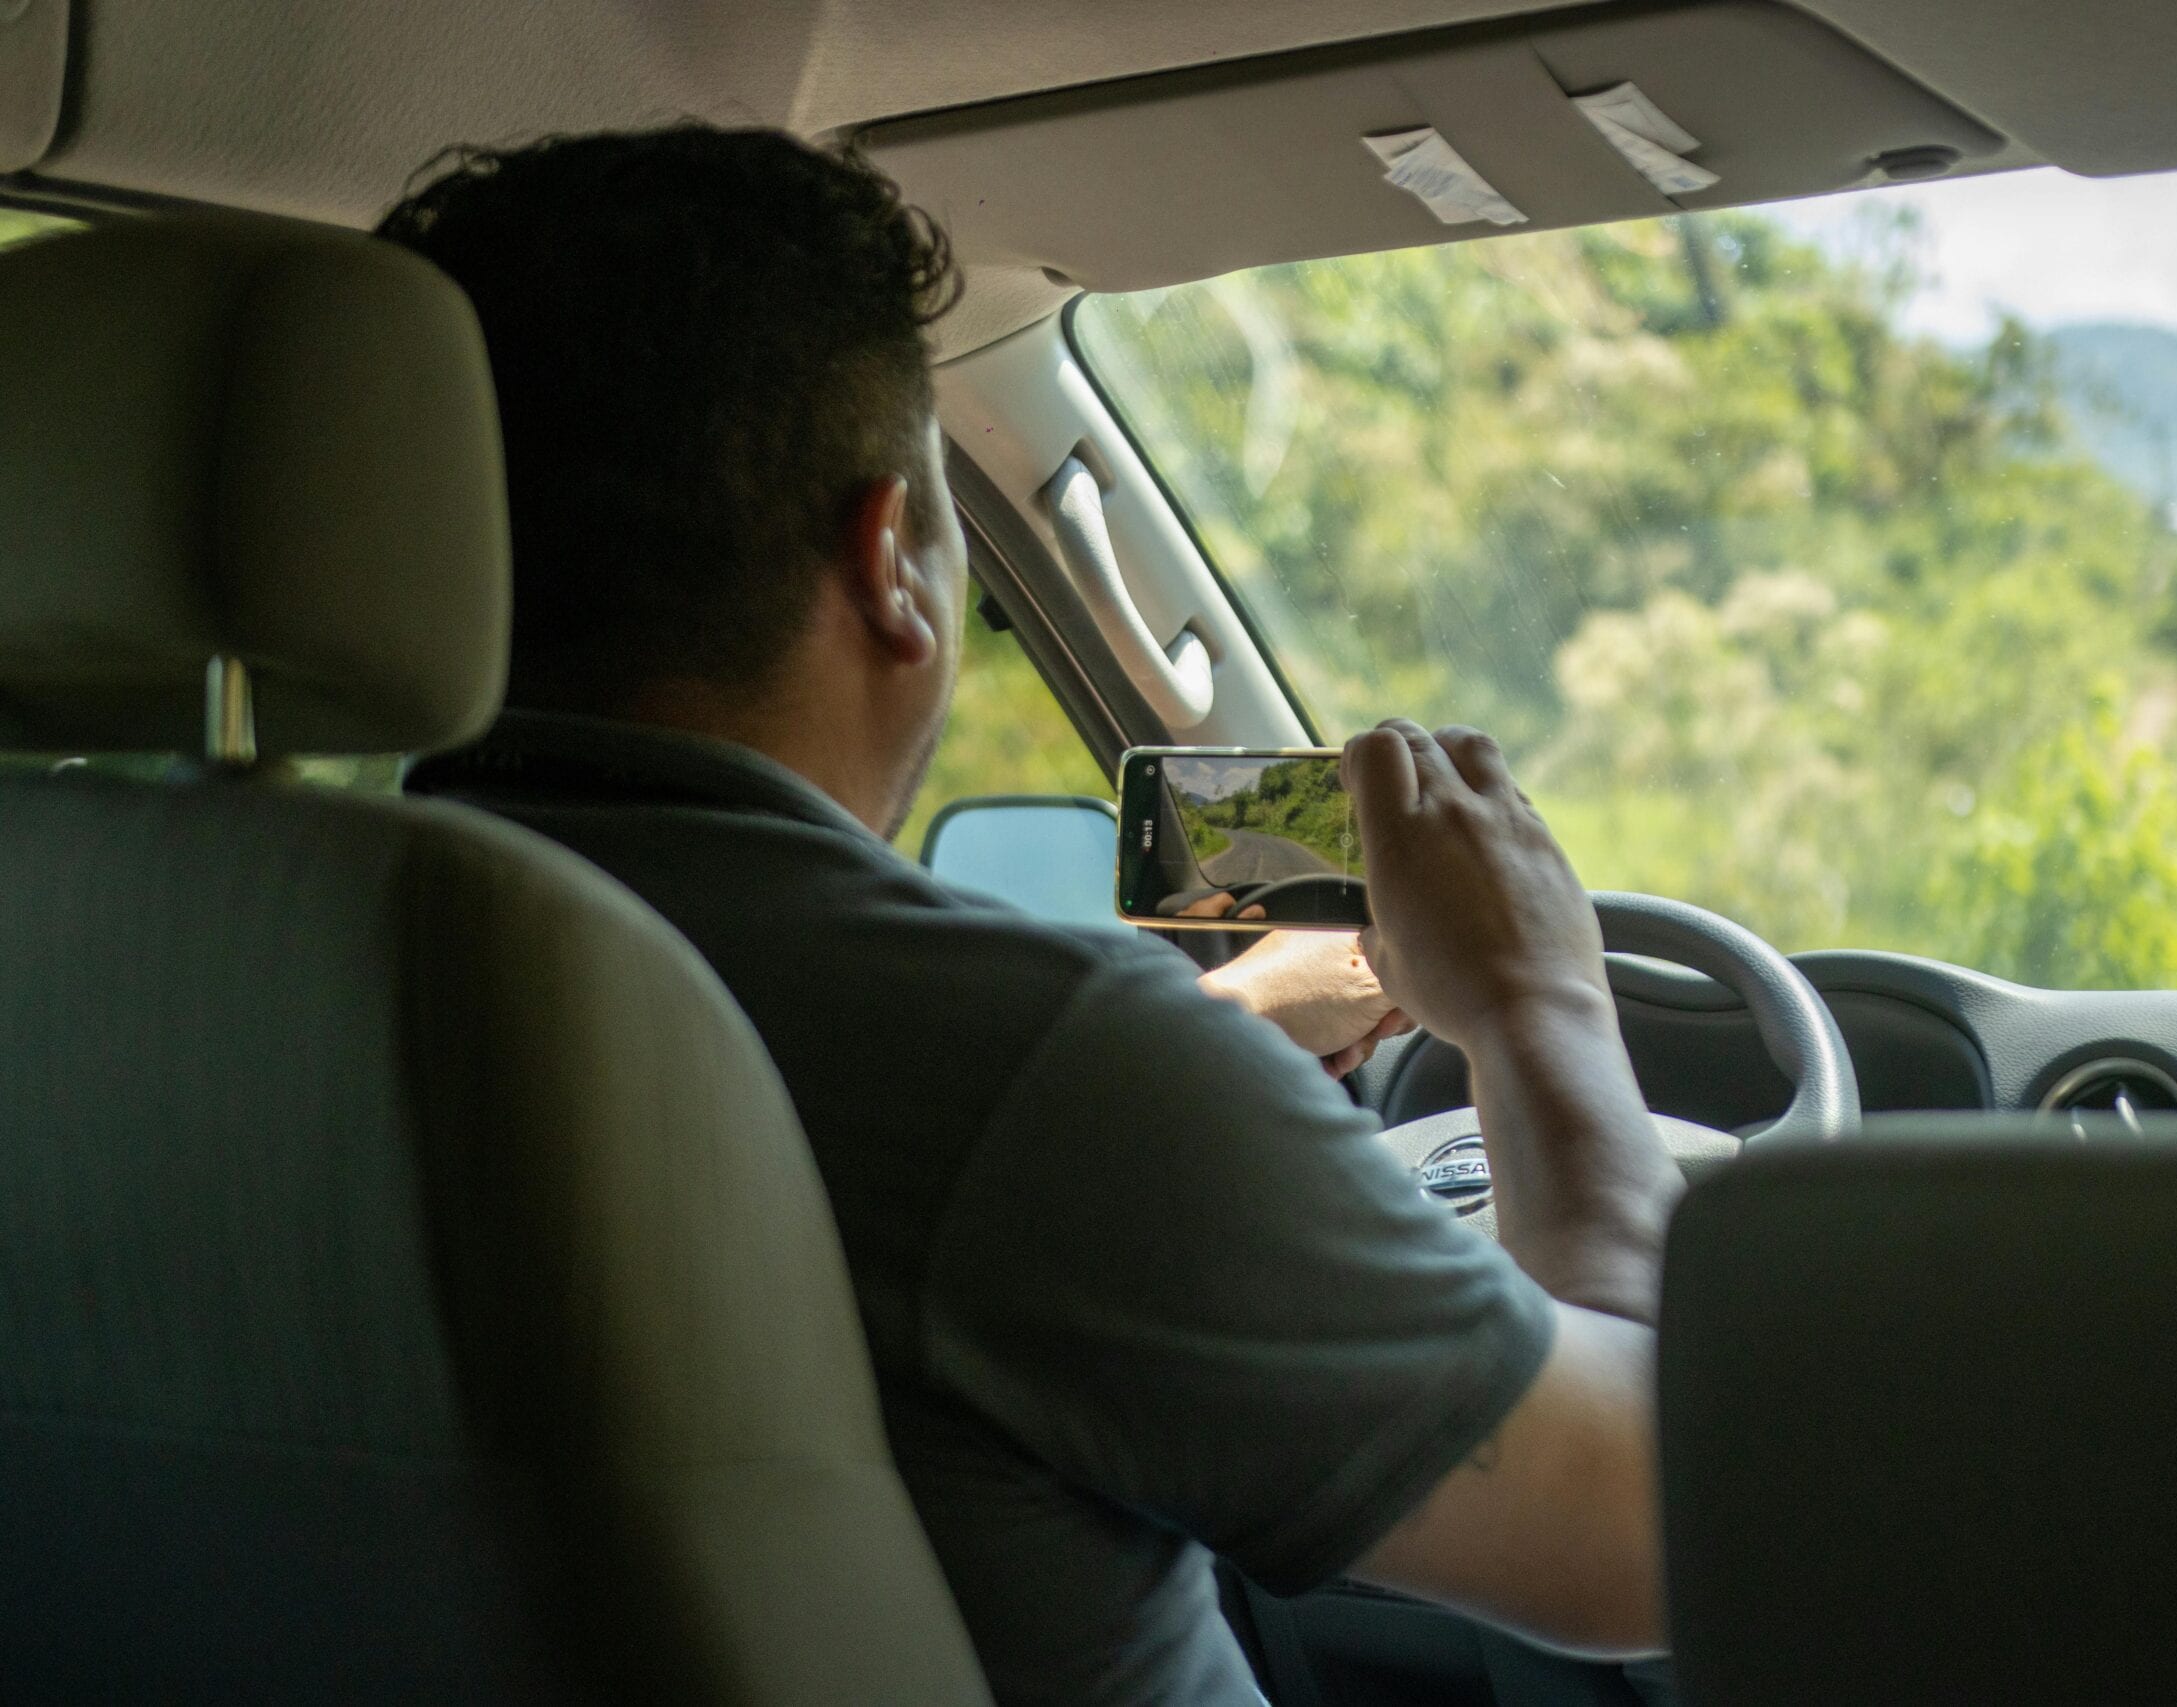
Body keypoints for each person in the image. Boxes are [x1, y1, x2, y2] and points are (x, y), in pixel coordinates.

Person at [394, 125, 1683, 1704]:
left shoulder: (176, 970)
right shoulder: (1030, 1075)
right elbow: (1652, 1521)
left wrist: (1220, 1043)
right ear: (893, 566)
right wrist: (1536, 1010)